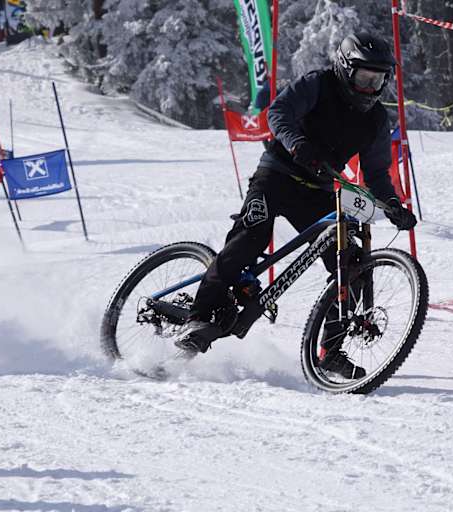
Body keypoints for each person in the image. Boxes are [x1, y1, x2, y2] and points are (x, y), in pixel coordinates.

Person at [176, 33, 417, 378]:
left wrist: (392, 203)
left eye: (378, 79)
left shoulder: (376, 120)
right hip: (276, 175)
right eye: (364, 77)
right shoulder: (317, 84)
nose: (370, 86)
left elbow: (377, 172)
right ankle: (198, 318)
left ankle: (330, 352)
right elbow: (279, 113)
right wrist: (297, 144)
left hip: (318, 190)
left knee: (350, 264)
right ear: (345, 69)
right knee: (251, 238)